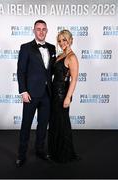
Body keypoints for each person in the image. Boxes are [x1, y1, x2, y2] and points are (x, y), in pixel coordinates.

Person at [16, 19, 56, 167]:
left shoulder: (52, 48)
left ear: (47, 31)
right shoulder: (25, 48)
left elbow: (51, 70)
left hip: (47, 94)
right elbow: (21, 71)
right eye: (38, 29)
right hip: (31, 94)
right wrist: (23, 91)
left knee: (43, 124)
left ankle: (40, 150)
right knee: (26, 125)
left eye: (43, 29)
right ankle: (21, 155)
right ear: (33, 31)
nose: (41, 31)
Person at [48, 29, 80, 163]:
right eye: (60, 41)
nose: (61, 43)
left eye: (64, 40)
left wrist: (68, 97)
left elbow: (74, 79)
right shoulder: (60, 55)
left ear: (70, 40)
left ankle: (64, 154)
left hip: (62, 94)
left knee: (62, 123)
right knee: (55, 122)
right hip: (54, 92)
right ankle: (54, 152)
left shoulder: (72, 57)